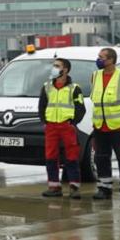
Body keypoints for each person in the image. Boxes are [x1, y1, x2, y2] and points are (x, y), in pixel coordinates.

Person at [89, 47, 120, 202]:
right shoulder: (95, 76)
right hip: (100, 127)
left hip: (119, 127)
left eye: (102, 57)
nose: (98, 59)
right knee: (101, 159)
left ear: (111, 60)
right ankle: (104, 189)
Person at [38, 57, 86, 198]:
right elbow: (42, 106)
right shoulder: (47, 87)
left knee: (72, 156)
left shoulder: (75, 89)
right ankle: (54, 187)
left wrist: (73, 122)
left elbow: (80, 108)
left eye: (57, 65)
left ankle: (74, 188)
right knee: (50, 157)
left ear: (65, 69)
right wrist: (45, 121)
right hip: (51, 126)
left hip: (67, 126)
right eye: (54, 65)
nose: (53, 68)